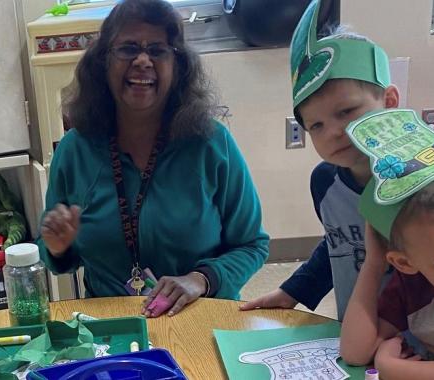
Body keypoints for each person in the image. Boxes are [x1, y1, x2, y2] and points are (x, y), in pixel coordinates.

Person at [240, 0, 434, 319]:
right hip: (359, 329)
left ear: (389, 102)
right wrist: (293, 291)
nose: (333, 132)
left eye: (346, 112)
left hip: (432, 345)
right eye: (316, 125)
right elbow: (340, 244)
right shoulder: (325, 182)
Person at [37, 0, 269, 317]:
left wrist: (201, 279)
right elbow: (55, 255)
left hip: (202, 317)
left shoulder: (211, 144)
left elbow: (253, 244)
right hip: (111, 327)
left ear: (178, 67)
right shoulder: (74, 151)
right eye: (128, 48)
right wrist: (57, 246)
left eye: (158, 51)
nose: (143, 60)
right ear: (103, 62)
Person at [339, 109, 434, 379]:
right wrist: (373, 263)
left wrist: (392, 366)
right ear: (404, 263)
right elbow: (354, 353)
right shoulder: (409, 287)